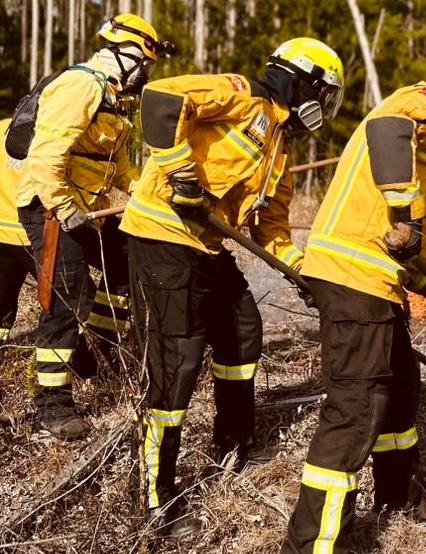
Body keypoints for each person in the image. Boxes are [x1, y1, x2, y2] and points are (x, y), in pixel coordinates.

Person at [284, 42, 426, 554]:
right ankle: (315, 543)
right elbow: (387, 129)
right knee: (355, 411)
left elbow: (407, 254)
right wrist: (406, 212)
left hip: (378, 280)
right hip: (354, 277)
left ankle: (395, 498)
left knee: (401, 391)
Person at [119, 37, 344, 534]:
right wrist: (181, 174)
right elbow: (160, 98)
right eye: (322, 93)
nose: (322, 107)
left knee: (243, 330)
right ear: (300, 81)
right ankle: (156, 496)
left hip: (205, 245)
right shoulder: (241, 95)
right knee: (177, 363)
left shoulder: (280, 150)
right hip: (163, 236)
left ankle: (233, 444)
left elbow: (273, 231)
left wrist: (302, 272)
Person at [16, 14, 171, 440]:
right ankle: (51, 405)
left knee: (128, 264)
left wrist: (150, 192)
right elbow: (47, 155)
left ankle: (98, 355)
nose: (146, 74)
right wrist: (63, 207)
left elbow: (118, 167)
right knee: (67, 300)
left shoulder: (112, 99)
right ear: (127, 55)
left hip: (89, 210)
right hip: (51, 209)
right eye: (146, 65)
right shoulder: (81, 86)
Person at [0, 119, 34, 343]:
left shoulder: (2, 126)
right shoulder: (54, 127)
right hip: (33, 233)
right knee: (67, 298)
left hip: (3, 230)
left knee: (2, 298)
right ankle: (89, 354)